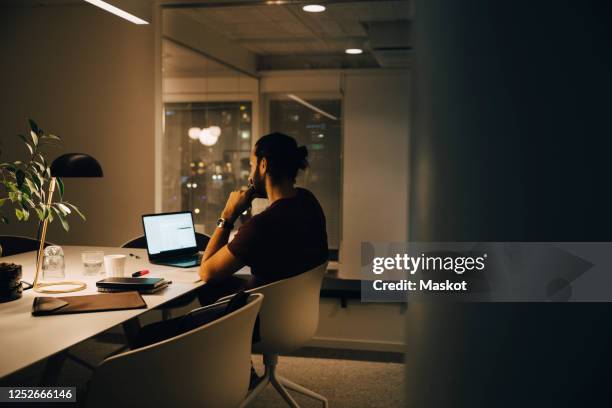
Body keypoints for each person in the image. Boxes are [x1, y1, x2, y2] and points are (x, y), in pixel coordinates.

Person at [196, 131, 328, 303]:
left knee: (158, 330)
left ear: (263, 165)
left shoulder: (261, 226)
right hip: (289, 310)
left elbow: (207, 273)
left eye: (251, 166)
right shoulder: (308, 201)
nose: (250, 176)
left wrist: (228, 216)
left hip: (256, 316)